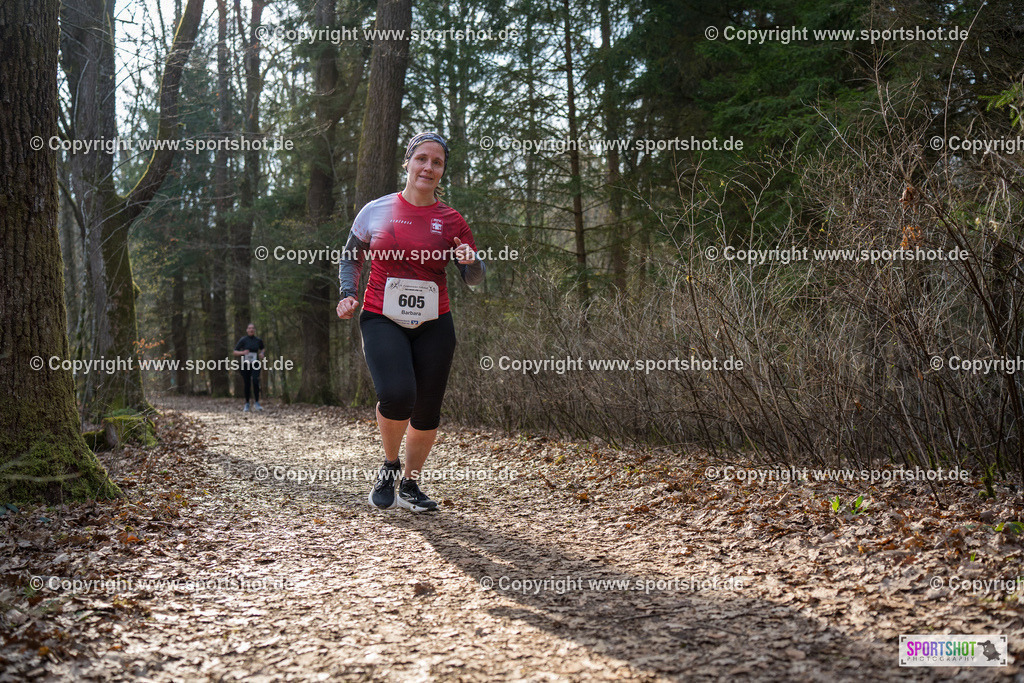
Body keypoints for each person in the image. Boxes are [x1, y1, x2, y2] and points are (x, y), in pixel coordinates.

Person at [337, 132, 484, 512]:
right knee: (398, 393)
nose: (428, 167)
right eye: (422, 159)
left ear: (442, 170)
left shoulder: (451, 220)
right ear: (408, 162)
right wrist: (347, 292)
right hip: (382, 317)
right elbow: (351, 257)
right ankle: (389, 466)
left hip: (435, 322)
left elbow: (473, 277)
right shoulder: (376, 210)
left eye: (437, 162)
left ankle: (410, 484)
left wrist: (471, 263)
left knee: (427, 409)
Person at [233, 322, 265, 412]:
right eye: (249, 328)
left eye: (252, 328)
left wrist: (262, 353)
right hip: (245, 364)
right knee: (247, 383)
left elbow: (263, 348)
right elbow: (234, 352)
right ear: (247, 330)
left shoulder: (258, 340)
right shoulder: (243, 340)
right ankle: (247, 403)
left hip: (255, 364)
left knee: (255, 381)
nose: (251, 330)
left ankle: (257, 403)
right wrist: (242, 353)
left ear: (254, 330)